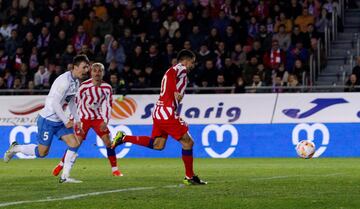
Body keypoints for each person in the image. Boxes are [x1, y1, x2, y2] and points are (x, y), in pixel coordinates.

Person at [111, 49, 207, 185]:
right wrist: (175, 92)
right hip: (165, 111)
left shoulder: (180, 73)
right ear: (186, 61)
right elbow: (171, 73)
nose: (193, 65)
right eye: (192, 62)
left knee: (158, 145)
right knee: (188, 142)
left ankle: (123, 137)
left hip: (161, 110)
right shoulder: (180, 68)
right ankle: (189, 177)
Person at [3, 55, 90, 183]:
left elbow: (71, 101)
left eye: (87, 67)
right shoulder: (64, 81)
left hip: (59, 120)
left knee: (74, 143)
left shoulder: (76, 82)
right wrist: (66, 121)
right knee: (42, 153)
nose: (86, 70)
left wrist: (77, 119)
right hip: (48, 120)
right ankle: (16, 148)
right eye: (84, 67)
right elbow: (55, 104)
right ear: (75, 67)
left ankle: (65, 177)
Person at [52, 62, 123, 177]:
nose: (97, 73)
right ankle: (61, 164)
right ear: (91, 72)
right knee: (75, 144)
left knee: (108, 142)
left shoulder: (107, 88)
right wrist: (71, 119)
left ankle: (115, 170)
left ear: (103, 73)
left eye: (99, 71)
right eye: (94, 71)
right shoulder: (83, 86)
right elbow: (74, 103)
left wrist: (105, 121)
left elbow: (108, 105)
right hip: (83, 118)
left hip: (97, 118)